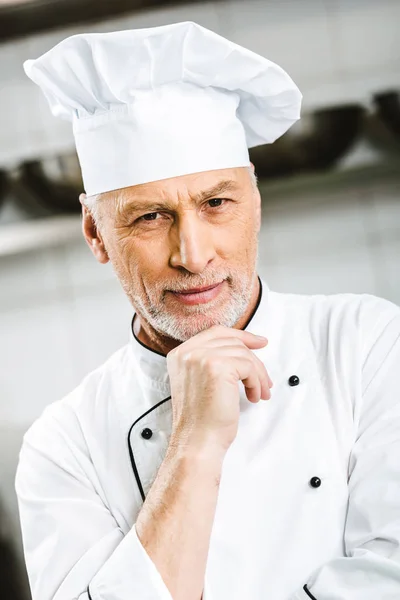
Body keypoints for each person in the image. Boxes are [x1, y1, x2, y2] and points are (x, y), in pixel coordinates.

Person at [15, 21, 400, 600]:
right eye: (150, 217)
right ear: (96, 234)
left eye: (216, 203)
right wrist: (194, 441)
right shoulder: (65, 445)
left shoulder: (366, 341)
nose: (193, 256)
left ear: (255, 205)